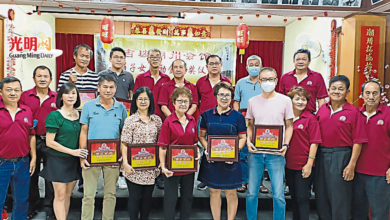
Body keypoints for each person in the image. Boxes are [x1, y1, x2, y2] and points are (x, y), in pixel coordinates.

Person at [315, 75, 367, 220]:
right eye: (334, 88)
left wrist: (351, 164)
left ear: (347, 92)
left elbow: (358, 141)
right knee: (322, 195)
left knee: (340, 198)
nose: (336, 91)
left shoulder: (354, 112)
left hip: (342, 156)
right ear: (328, 90)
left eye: (340, 89)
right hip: (321, 156)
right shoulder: (322, 110)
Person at [246, 67, 294, 220]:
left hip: (277, 154)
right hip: (256, 153)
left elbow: (289, 126)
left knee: (279, 194)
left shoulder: (285, 101)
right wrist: (248, 141)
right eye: (264, 79)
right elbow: (250, 125)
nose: (268, 82)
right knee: (252, 192)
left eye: (271, 79)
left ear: (276, 80)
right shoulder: (252, 101)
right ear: (259, 82)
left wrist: (285, 145)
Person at [79, 74, 127, 220]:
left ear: (115, 89)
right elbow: (84, 131)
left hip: (112, 157)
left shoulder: (121, 108)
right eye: (104, 87)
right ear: (98, 88)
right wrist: (82, 156)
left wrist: (122, 155)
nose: (108, 90)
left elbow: (123, 133)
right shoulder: (88, 106)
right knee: (88, 194)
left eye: (111, 87)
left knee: (110, 194)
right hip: (91, 157)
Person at [197, 82, 246, 220]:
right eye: (221, 95)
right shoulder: (206, 115)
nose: (224, 98)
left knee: (231, 192)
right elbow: (201, 136)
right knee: (214, 191)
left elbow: (243, 137)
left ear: (231, 98)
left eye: (227, 95)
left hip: (231, 161)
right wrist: (208, 148)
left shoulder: (238, 117)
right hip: (212, 161)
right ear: (216, 96)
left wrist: (235, 151)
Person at [40, 83, 87, 220]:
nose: (71, 96)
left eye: (73, 93)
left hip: (73, 161)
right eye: (67, 93)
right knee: (59, 195)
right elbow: (50, 142)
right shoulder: (55, 115)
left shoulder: (80, 115)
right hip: (57, 160)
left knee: (67, 195)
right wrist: (73, 152)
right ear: (61, 97)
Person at [20, 66, 57, 219]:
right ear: (34, 78)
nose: (42, 79)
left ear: (51, 79)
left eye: (45, 76)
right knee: (30, 174)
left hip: (50, 141)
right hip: (30, 141)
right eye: (39, 76)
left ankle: (50, 207)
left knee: (50, 176)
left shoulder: (57, 97)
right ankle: (32, 206)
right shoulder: (24, 96)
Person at [158, 87, 200, 220]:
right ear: (173, 103)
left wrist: (197, 151)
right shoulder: (168, 122)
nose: (183, 104)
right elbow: (163, 147)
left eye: (186, 101)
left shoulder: (192, 120)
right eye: (180, 101)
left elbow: (194, 142)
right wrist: (163, 166)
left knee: (187, 197)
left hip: (188, 167)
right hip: (172, 168)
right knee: (170, 198)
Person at [120, 87, 162, 220]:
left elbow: (161, 144)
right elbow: (124, 143)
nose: (143, 101)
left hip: (150, 168)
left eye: (146, 99)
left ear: (150, 101)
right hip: (133, 168)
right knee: (134, 199)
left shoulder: (157, 120)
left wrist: (161, 162)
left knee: (147, 200)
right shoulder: (130, 120)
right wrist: (125, 163)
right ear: (135, 101)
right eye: (140, 99)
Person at [98, 47, 135, 190]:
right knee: (105, 142)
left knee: (122, 142)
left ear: (125, 60)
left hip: (122, 113)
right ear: (110, 59)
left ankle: (121, 176)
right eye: (116, 57)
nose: (119, 60)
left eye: (121, 57)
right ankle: (102, 173)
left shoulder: (129, 76)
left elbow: (131, 95)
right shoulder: (102, 74)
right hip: (105, 112)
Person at [353, 80, 390, 220]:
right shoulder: (356, 114)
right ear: (362, 95)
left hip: (380, 175)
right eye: (367, 93)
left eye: (375, 93)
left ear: (381, 95)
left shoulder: (388, 114)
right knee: (358, 213)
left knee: (379, 214)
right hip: (357, 173)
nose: (371, 96)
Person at [0, 77, 36, 219]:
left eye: (16, 90)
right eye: (8, 90)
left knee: (21, 200)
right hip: (2, 163)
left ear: (21, 92)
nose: (13, 93)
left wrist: (33, 158)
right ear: (1, 92)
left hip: (23, 162)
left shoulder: (27, 110)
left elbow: (31, 135)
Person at [196, 54, 231, 191]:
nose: (214, 66)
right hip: (205, 119)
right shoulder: (200, 82)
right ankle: (204, 179)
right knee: (205, 148)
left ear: (221, 65)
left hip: (222, 118)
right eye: (211, 63)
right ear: (206, 66)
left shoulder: (226, 81)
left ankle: (221, 177)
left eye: (217, 63)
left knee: (220, 146)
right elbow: (197, 101)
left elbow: (229, 100)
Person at [285, 86, 321, 220]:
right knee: (294, 198)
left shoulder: (310, 119)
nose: (301, 102)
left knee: (302, 198)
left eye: (304, 99)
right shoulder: (285, 118)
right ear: (291, 100)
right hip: (288, 164)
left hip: (303, 165)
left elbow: (315, 142)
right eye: (297, 99)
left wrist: (309, 164)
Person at [233, 55, 267, 193]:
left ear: (261, 66)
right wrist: (238, 118)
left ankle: (258, 183)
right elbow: (236, 101)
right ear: (246, 67)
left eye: (256, 64)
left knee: (259, 154)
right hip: (244, 118)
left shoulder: (265, 83)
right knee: (243, 153)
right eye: (251, 64)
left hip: (262, 120)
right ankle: (243, 181)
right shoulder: (240, 83)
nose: (254, 67)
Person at [278, 49, 328, 113]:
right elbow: (281, 99)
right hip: (289, 116)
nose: (300, 62)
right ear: (294, 61)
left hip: (309, 116)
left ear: (309, 61)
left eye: (304, 59)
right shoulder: (285, 77)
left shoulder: (317, 77)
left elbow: (321, 100)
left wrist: (320, 117)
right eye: (298, 59)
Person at [134, 48, 170, 119]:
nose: (155, 59)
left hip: (161, 118)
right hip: (144, 118)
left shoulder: (166, 79)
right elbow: (136, 99)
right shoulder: (140, 78)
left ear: (161, 59)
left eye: (157, 57)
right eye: (152, 57)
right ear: (148, 59)